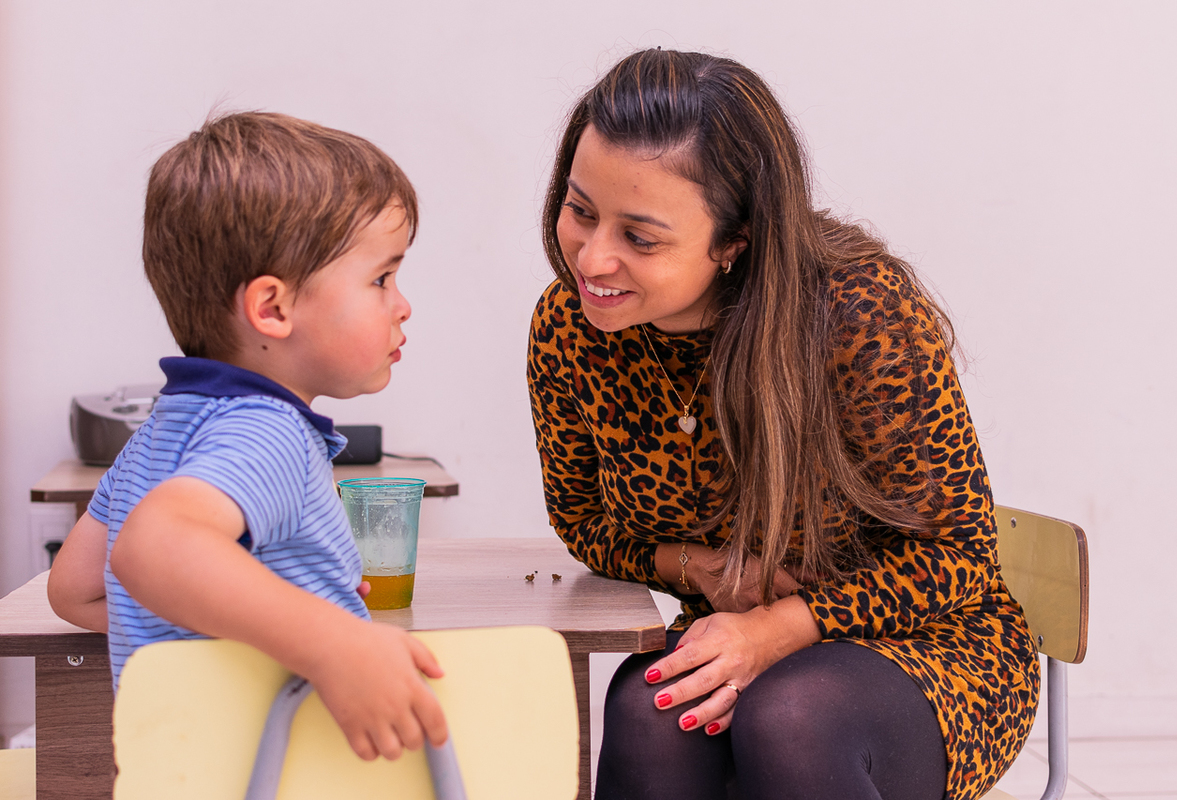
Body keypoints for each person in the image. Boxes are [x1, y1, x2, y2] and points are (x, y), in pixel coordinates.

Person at [527, 49, 1038, 800]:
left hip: (932, 645)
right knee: (648, 706)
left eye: (640, 237)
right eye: (580, 209)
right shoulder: (570, 328)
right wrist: (694, 568)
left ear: (734, 241)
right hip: (736, 640)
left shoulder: (857, 316)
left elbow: (957, 556)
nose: (592, 257)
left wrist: (781, 627)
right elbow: (586, 523)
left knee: (790, 716)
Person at [47, 112, 447, 762]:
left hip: (177, 769)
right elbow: (154, 547)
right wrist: (331, 640)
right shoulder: (273, 433)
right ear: (273, 308)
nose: (402, 304)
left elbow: (76, 588)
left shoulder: (158, 432)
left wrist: (273, 609)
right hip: (273, 767)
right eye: (381, 279)